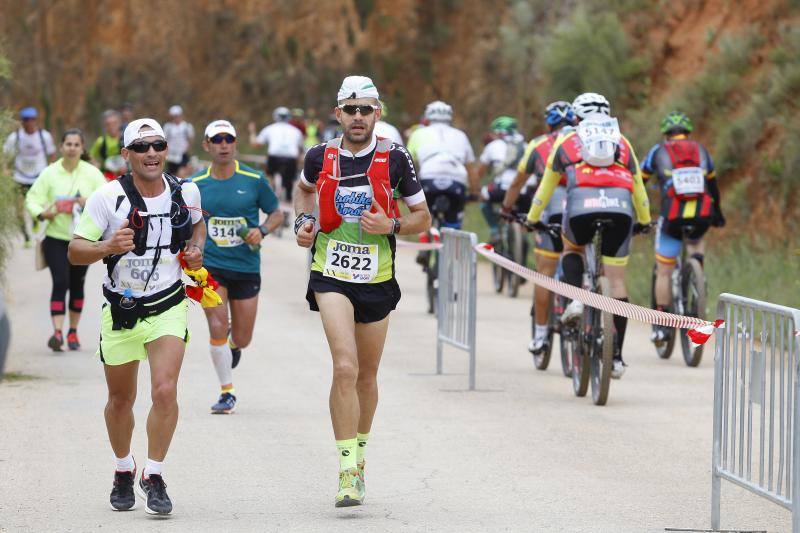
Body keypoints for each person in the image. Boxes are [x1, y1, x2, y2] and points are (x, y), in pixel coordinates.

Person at [294, 75, 431, 507]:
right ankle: (346, 469)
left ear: (378, 113)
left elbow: (422, 216)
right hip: (330, 272)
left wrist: (390, 225)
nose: (358, 117)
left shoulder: (396, 157)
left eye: (365, 109)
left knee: (368, 376)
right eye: (350, 110)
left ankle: (362, 454)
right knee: (345, 367)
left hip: (377, 276)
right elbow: (303, 191)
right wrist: (303, 222)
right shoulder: (320, 155)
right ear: (338, 114)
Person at [68, 118, 206, 515]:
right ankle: (123, 468)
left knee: (164, 391)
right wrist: (108, 245)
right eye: (142, 147)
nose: (151, 153)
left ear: (166, 150)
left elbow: (198, 228)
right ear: (126, 154)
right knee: (120, 399)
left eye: (158, 145)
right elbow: (76, 250)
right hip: (122, 309)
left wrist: (196, 250)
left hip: (169, 303)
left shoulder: (185, 191)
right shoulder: (106, 197)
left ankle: (155, 474)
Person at [527, 92, 651, 378]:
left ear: (576, 118)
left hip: (581, 207)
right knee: (617, 281)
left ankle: (575, 301)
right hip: (620, 208)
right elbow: (639, 189)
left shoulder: (566, 140)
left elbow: (545, 188)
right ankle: (616, 357)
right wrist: (644, 220)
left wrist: (533, 218)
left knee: (572, 250)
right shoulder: (622, 141)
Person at [192, 120, 284, 414]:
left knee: (242, 338)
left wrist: (263, 230)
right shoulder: (195, 185)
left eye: (228, 139)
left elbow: (276, 213)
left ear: (235, 143)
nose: (223, 145)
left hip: (246, 266)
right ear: (206, 145)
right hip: (211, 267)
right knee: (216, 324)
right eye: (216, 140)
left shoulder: (253, 179)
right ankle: (227, 391)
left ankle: (231, 343)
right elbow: (185, 223)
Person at [642, 111, 724, 344]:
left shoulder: (658, 151)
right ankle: (697, 275)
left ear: (666, 134)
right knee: (696, 241)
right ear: (687, 132)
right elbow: (713, 185)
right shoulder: (701, 151)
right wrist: (718, 215)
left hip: (672, 217)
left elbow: (639, 180)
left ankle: (661, 325)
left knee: (664, 270)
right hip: (701, 215)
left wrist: (641, 213)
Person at [502, 101, 576, 355]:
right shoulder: (582, 142)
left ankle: (541, 335)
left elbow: (517, 182)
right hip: (581, 203)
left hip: (550, 207)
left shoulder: (538, 145)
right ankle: (582, 300)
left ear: (549, 124)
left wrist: (507, 209)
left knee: (544, 275)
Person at [25, 128, 106, 351]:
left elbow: (108, 198)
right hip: (55, 237)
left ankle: (73, 332)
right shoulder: (49, 173)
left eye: (76, 144)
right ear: (61, 147)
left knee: (77, 285)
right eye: (68, 144)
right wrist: (43, 213)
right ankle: (57, 333)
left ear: (82, 148)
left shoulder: (91, 173)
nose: (71, 148)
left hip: (83, 240)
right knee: (60, 281)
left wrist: (85, 200)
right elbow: (32, 198)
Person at [408, 100, 477, 229]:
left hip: (429, 176)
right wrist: (474, 191)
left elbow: (406, 162)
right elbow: (471, 169)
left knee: (423, 217)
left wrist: (403, 189)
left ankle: (425, 239)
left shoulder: (418, 133)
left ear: (427, 116)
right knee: (454, 220)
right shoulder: (461, 135)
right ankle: (452, 231)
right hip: (457, 179)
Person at [3, 107, 57, 245]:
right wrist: (5, 169)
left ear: (36, 120)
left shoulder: (44, 136)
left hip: (39, 177)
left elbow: (52, 154)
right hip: (19, 177)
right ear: (22, 122)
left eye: (32, 119)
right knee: (19, 209)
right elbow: (4, 156)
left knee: (35, 206)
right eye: (26, 120)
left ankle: (35, 220)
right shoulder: (14, 138)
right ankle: (26, 236)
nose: (29, 122)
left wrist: (52, 169)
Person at [478, 116, 526, 240]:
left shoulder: (493, 145)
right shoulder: (525, 145)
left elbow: (481, 171)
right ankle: (523, 233)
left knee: (483, 196)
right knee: (524, 212)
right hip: (525, 191)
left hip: (502, 189)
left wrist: (474, 187)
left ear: (499, 132)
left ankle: (494, 229)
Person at [248, 106, 305, 202]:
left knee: (269, 174)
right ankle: (288, 197)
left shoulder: (269, 128)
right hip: (290, 158)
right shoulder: (296, 131)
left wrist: (252, 132)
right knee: (289, 182)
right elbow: (301, 149)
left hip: (274, 157)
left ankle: (272, 190)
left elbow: (255, 144)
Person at [89, 109, 126, 181]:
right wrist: (96, 165)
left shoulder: (126, 139)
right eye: (108, 124)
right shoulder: (101, 141)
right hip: (107, 175)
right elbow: (90, 155)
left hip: (125, 174)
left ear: (119, 123)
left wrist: (128, 165)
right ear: (105, 126)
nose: (112, 126)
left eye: (114, 123)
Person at [163, 105, 195, 177]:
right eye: (174, 116)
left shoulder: (187, 127)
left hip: (182, 155)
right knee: (172, 175)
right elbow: (165, 140)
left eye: (177, 115)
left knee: (181, 174)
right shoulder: (168, 127)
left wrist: (187, 151)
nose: (176, 118)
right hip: (171, 156)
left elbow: (190, 140)